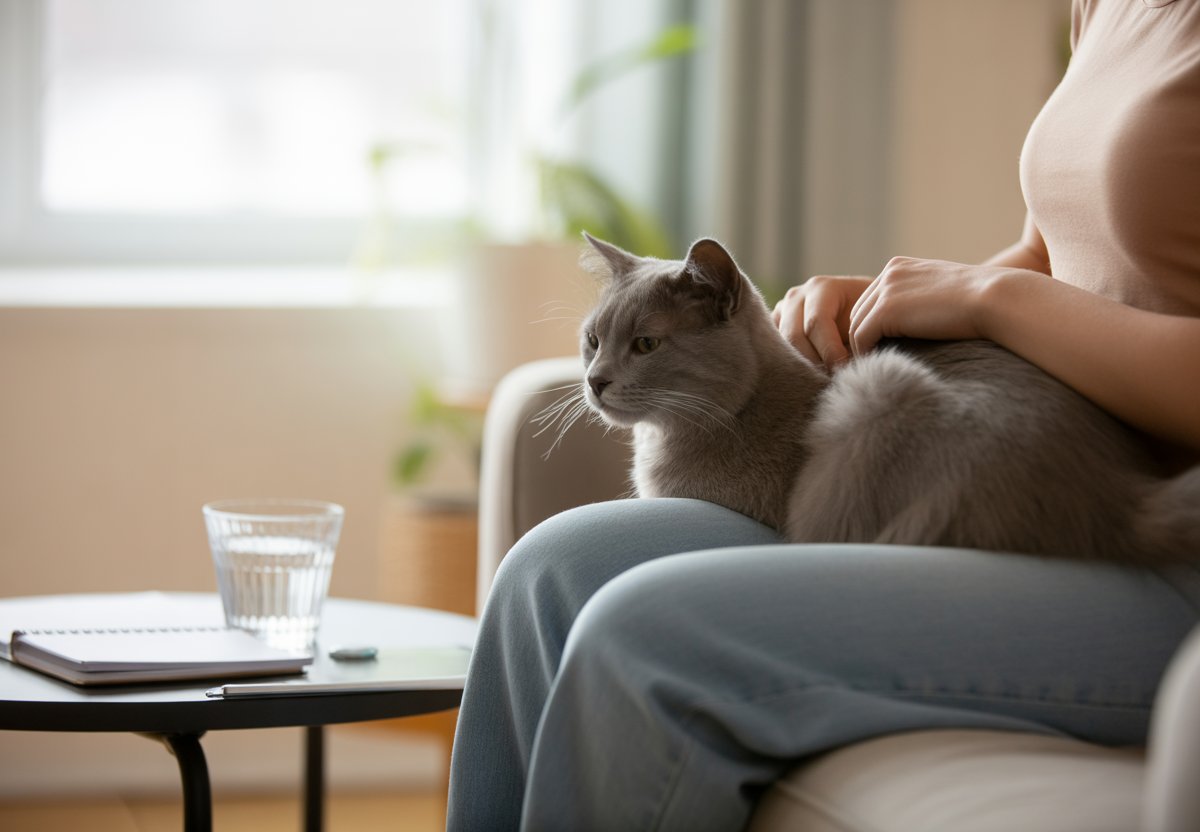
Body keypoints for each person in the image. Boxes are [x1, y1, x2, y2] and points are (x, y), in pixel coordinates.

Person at [446, 1, 1200, 829]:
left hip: (1144, 539)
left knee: (645, 639)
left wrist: (991, 299)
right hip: (1048, 459)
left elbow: (1018, 289)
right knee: (548, 574)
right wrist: (896, 307)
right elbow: (1051, 251)